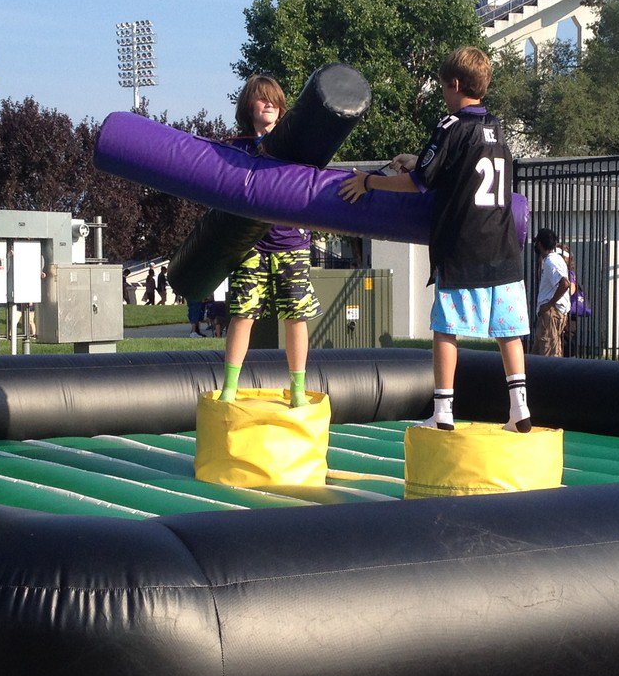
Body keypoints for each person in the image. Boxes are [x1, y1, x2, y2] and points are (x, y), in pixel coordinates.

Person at [339, 46, 531, 431]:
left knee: (446, 329)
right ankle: (519, 407)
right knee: (508, 331)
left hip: (463, 247)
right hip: (503, 247)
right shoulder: (497, 129)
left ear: (455, 84)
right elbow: (456, 170)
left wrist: (369, 181)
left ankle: (443, 411)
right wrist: (418, 159)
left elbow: (418, 183)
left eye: (443, 86)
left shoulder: (450, 126)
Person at [221, 75, 318, 408]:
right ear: (249, 105)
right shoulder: (238, 148)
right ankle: (230, 387)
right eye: (262, 98)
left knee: (296, 316)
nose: (269, 104)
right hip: (252, 244)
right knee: (242, 314)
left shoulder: (295, 145)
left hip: (291, 242)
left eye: (275, 99)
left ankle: (298, 389)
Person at [530, 228, 573, 357]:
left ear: (540, 244)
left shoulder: (551, 261)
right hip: (550, 313)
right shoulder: (554, 260)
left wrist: (549, 305)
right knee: (538, 353)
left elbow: (565, 283)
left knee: (548, 354)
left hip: (551, 313)